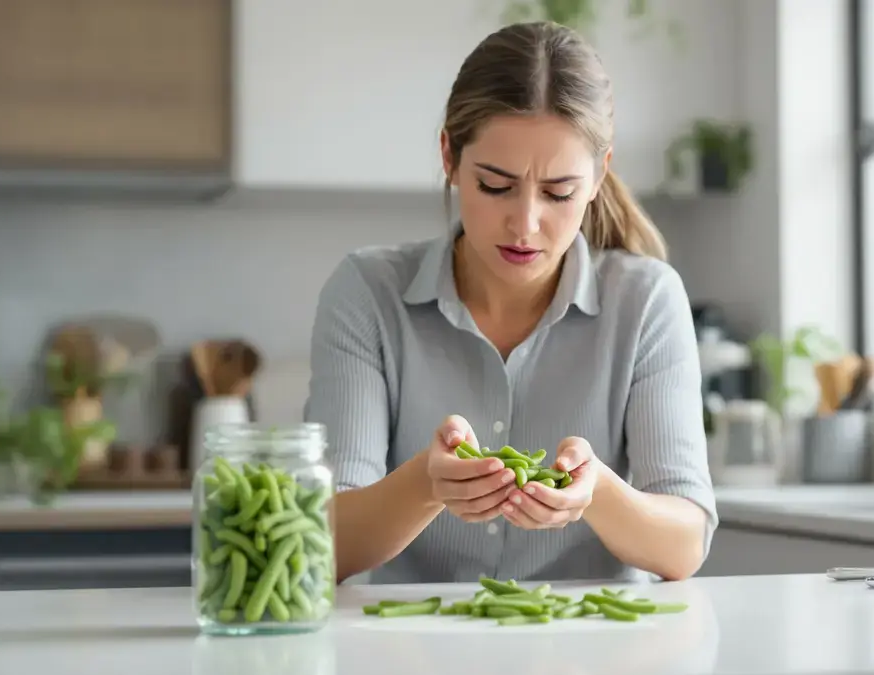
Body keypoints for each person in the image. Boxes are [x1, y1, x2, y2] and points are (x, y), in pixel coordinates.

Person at [304, 21, 717, 585]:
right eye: (495, 185)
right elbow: (321, 544)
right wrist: (426, 483)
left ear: (599, 177)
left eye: (559, 193)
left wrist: (598, 494)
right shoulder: (367, 293)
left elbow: (684, 544)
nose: (525, 224)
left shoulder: (647, 300)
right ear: (449, 155)